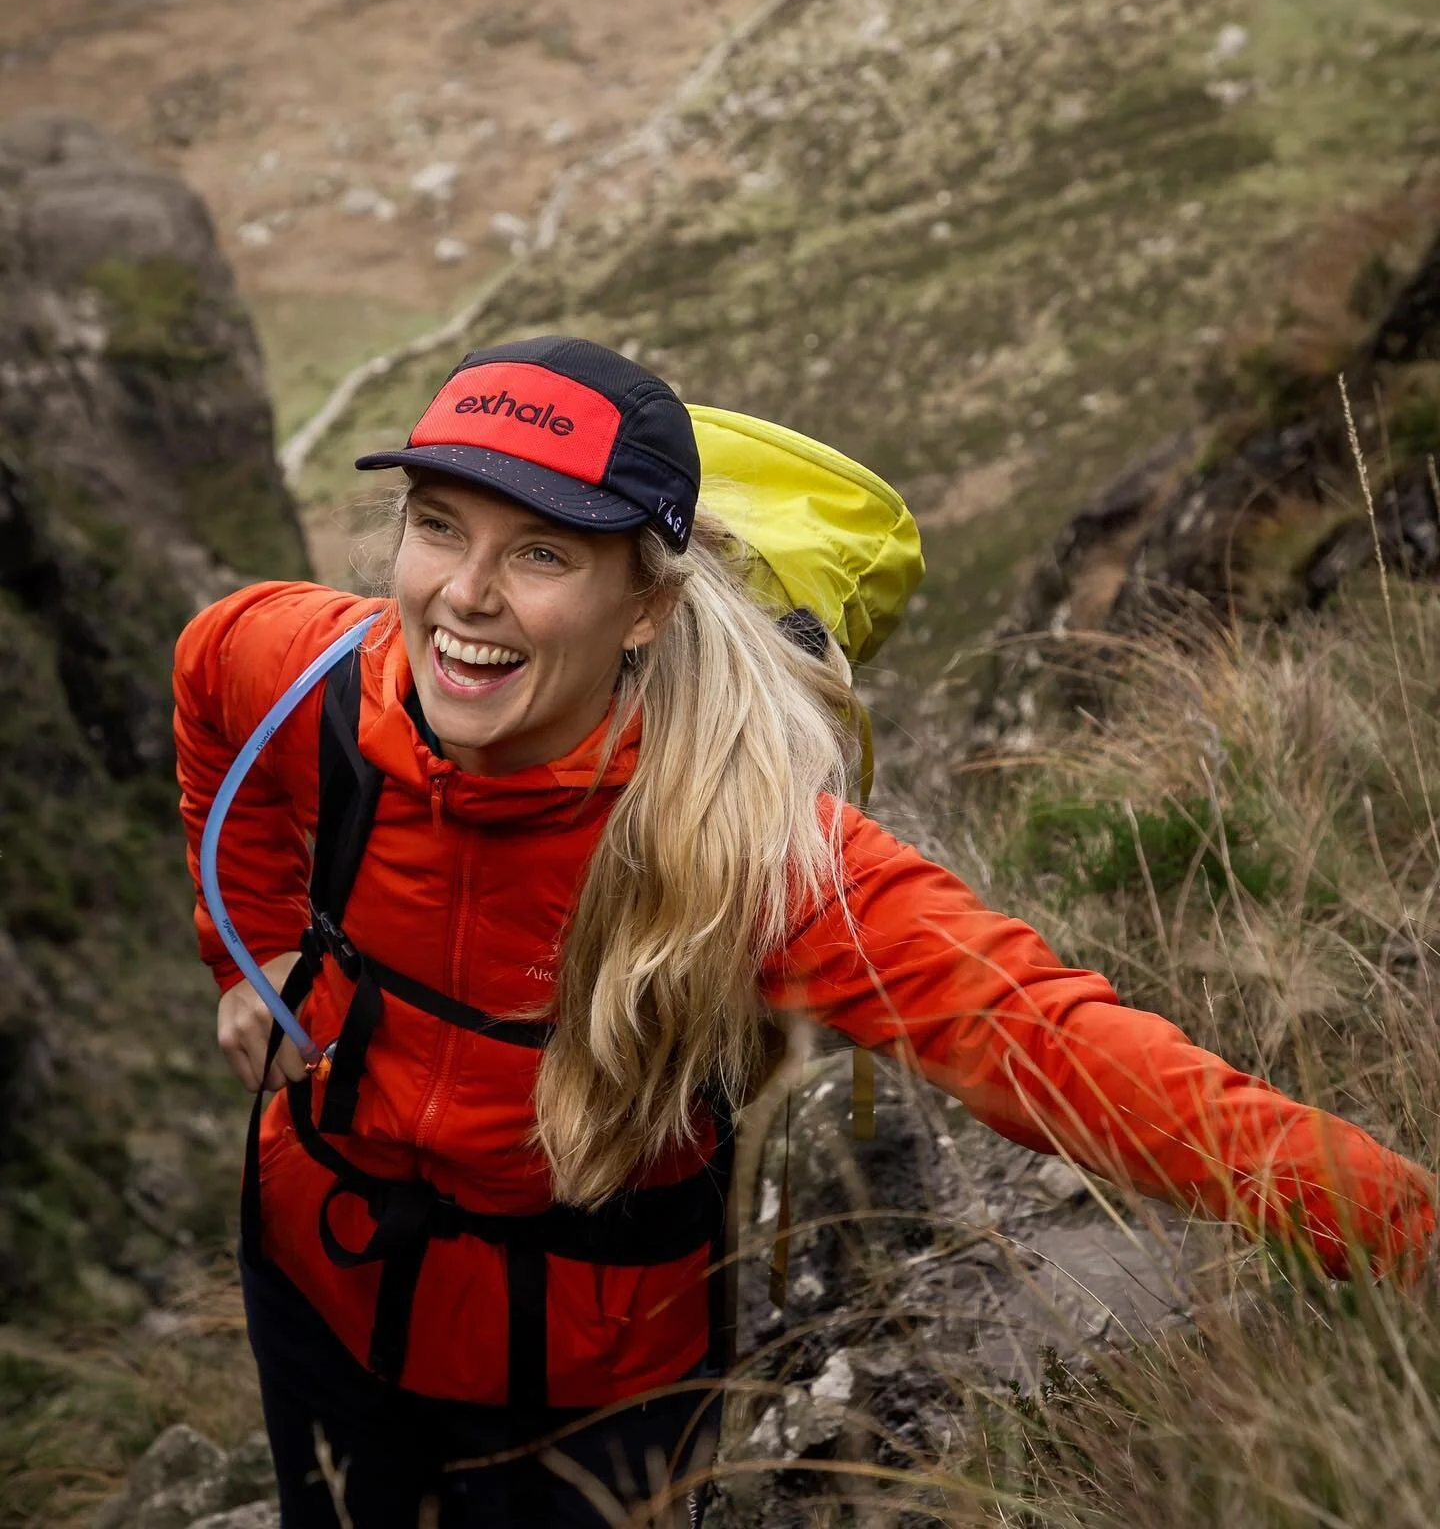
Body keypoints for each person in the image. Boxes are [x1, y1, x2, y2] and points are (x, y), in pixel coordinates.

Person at [174, 336, 1435, 1529]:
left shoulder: (747, 849)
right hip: (317, 1285)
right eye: (439, 525)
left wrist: (1407, 1233)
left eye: (543, 553)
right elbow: (205, 678)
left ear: (645, 607)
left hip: (588, 1378)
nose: (464, 593)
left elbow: (1053, 1046)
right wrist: (254, 953)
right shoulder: (310, 672)